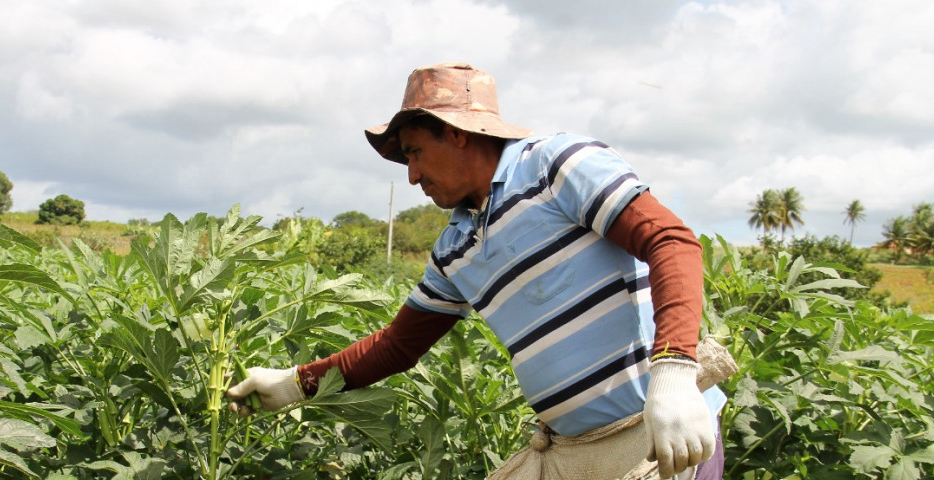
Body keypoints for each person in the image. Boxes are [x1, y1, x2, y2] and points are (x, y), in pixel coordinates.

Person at [228, 62, 728, 480]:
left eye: (415, 152)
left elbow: (670, 242)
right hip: (578, 455)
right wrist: (294, 383)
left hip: (663, 434)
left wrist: (674, 375)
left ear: (457, 133)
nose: (412, 175)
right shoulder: (454, 247)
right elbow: (397, 346)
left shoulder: (554, 165)